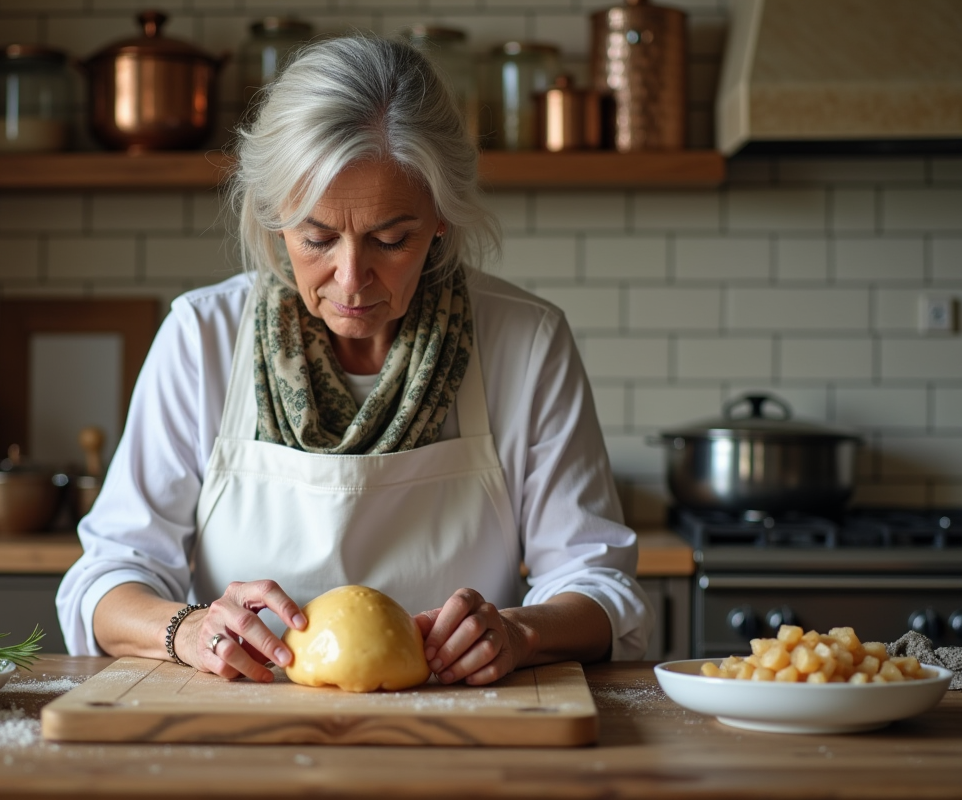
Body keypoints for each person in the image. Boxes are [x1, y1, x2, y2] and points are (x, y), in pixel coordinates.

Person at [56, 34, 653, 687]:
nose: (349, 279)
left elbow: (599, 585)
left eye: (390, 239)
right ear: (278, 218)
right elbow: (108, 579)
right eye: (316, 238)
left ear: (441, 218)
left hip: (462, 737)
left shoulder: (525, 342)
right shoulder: (203, 337)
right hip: (240, 736)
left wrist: (519, 632)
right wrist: (187, 629)